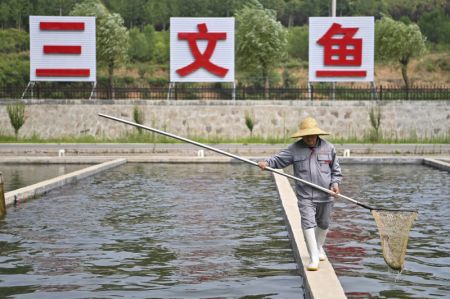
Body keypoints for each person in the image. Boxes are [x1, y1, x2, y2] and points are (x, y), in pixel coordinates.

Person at [258, 116, 342, 271]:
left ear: (317, 134)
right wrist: (267, 163)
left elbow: (336, 171)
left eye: (312, 135)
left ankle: (318, 247)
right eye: (306, 136)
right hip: (305, 196)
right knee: (308, 223)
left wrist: (335, 185)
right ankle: (313, 257)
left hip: (325, 195)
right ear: (302, 135)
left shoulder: (329, 148)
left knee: (323, 224)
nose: (309, 139)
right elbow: (278, 160)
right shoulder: (294, 149)